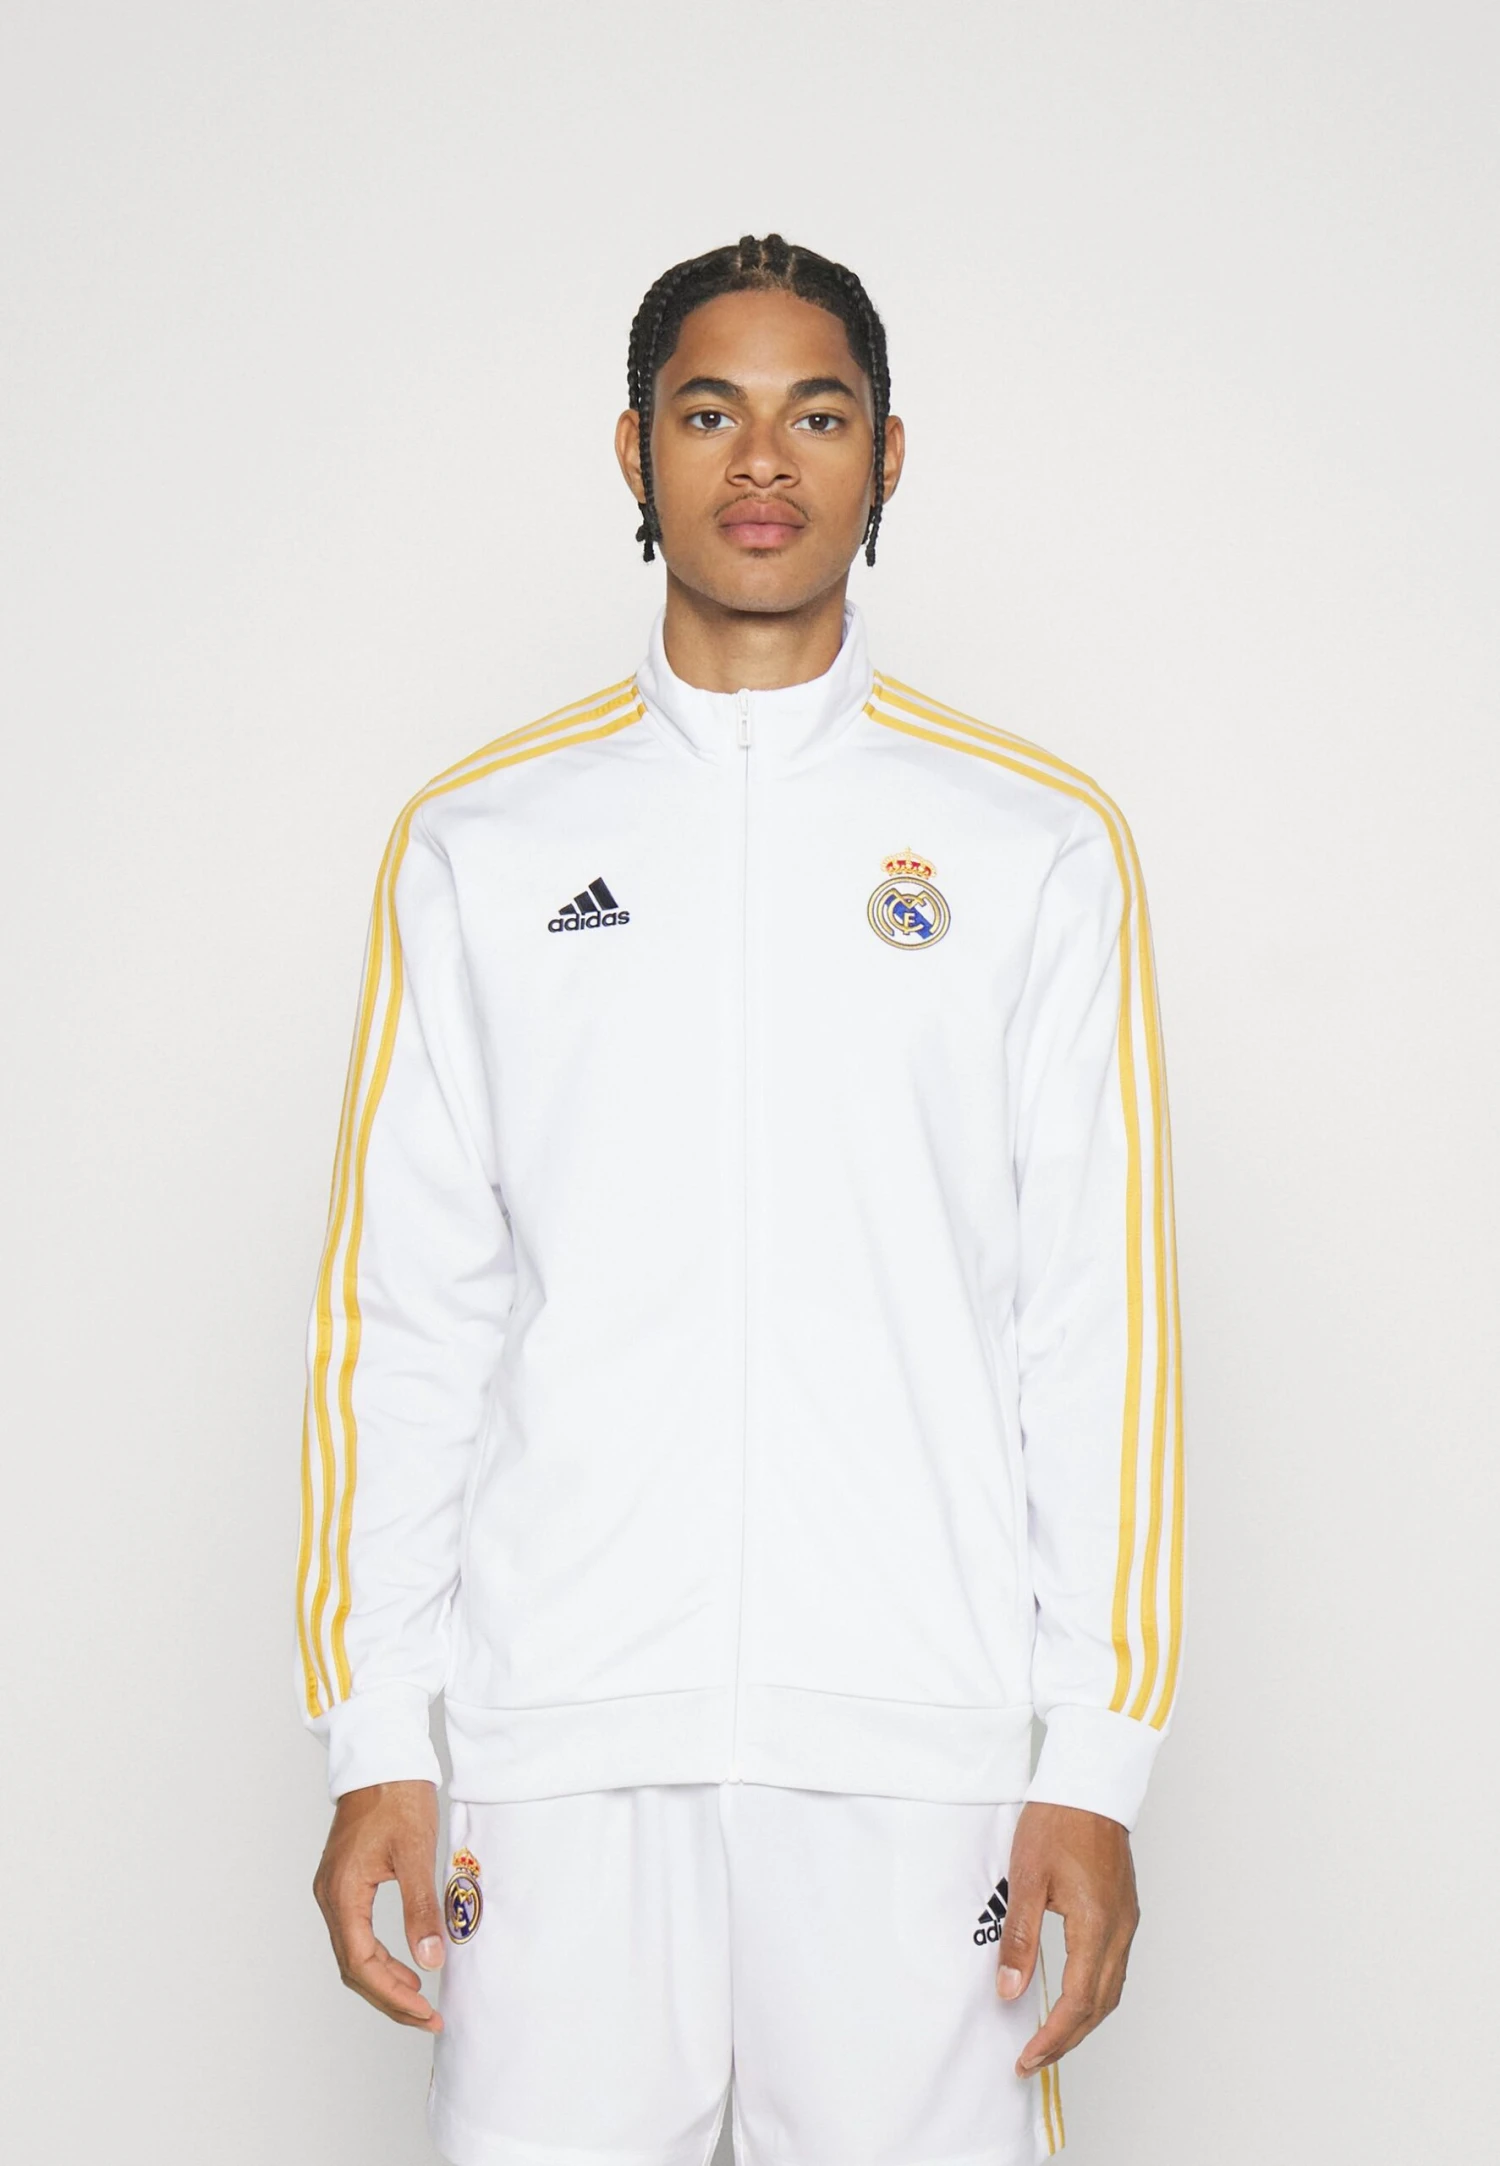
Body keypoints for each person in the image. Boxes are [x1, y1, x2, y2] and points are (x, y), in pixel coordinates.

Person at [295, 232, 1186, 2166]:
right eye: (710, 412)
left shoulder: (1033, 845)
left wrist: (1098, 1758)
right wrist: (375, 1735)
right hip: (557, 1750)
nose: (764, 459)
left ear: (887, 455)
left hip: (917, 1757)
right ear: (635, 451)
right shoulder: (480, 841)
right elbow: (405, 1317)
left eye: (818, 413)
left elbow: (1095, 1326)